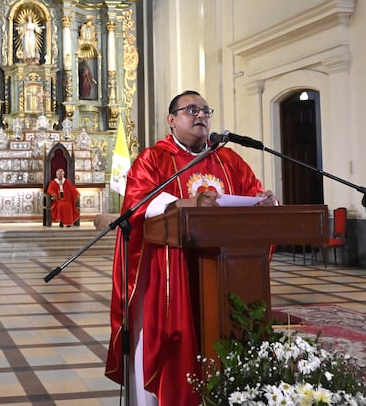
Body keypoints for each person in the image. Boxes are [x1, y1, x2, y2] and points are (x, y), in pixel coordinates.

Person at [104, 90, 276, 405]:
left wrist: (266, 203)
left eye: (206, 111)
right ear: (171, 120)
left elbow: (253, 193)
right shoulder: (154, 159)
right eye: (191, 110)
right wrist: (186, 204)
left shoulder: (229, 160)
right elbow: (137, 205)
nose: (201, 116)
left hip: (225, 273)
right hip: (171, 275)